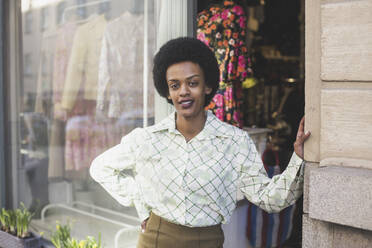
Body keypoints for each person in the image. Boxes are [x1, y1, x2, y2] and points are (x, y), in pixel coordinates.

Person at [90, 37, 311, 248]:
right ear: (167, 91)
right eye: (175, 85)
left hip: (207, 241)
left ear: (207, 86)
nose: (183, 92)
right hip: (155, 239)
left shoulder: (234, 142)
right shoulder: (146, 139)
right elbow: (100, 168)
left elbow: (271, 199)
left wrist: (298, 157)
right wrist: (141, 200)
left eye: (192, 83)